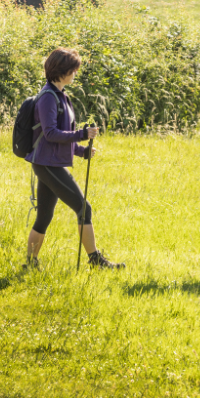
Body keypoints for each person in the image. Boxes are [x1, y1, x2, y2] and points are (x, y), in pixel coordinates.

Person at [24, 48, 123, 270]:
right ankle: (96, 261)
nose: (75, 73)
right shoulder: (48, 97)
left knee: (44, 216)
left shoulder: (60, 95)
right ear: (62, 70)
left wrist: (80, 150)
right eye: (73, 69)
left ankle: (30, 264)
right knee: (83, 208)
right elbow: (50, 134)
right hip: (47, 165)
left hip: (51, 162)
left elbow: (56, 136)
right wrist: (82, 134)